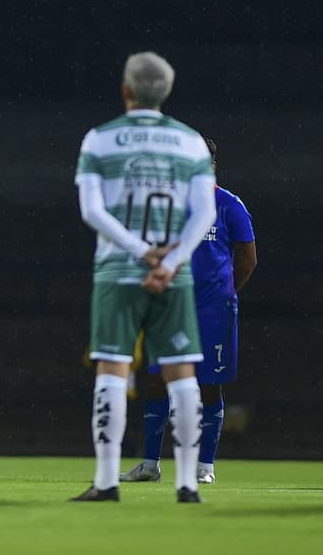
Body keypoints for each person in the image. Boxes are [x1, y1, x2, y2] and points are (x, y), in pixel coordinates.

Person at [71, 51, 217, 504]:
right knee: (182, 373)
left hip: (118, 270)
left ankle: (106, 481)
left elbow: (92, 211)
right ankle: (188, 485)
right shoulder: (191, 142)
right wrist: (169, 262)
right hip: (174, 275)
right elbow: (205, 213)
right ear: (166, 92)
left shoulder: (100, 139)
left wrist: (139, 251)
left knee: (113, 369)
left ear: (126, 89)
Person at [120, 137, 257, 486]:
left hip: (214, 311)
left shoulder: (229, 206)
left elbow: (248, 258)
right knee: (156, 381)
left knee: (209, 385)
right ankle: (150, 465)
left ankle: (204, 466)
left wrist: (224, 294)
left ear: (212, 166)